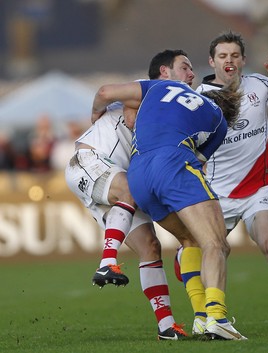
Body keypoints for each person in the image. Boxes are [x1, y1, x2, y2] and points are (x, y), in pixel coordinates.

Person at [176, 30, 268, 333]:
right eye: (223, 56)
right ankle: (203, 316)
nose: (229, 61)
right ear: (212, 61)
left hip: (257, 190)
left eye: (234, 55)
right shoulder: (199, 98)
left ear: (243, 59)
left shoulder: (259, 84)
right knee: (200, 251)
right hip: (216, 194)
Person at [90, 76, 247, 340]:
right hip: (172, 162)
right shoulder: (219, 119)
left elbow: (104, 92)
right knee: (215, 243)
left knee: (190, 240)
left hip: (137, 174)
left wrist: (96, 114)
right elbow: (198, 159)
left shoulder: (160, 86)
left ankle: (200, 318)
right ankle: (216, 318)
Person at [65, 49, 195, 340]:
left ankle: (166, 326)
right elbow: (108, 95)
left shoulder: (175, 107)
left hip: (117, 181)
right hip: (91, 161)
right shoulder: (149, 92)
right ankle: (107, 262)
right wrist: (96, 114)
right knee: (131, 189)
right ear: (165, 72)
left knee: (150, 245)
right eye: (184, 67)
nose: (191, 74)